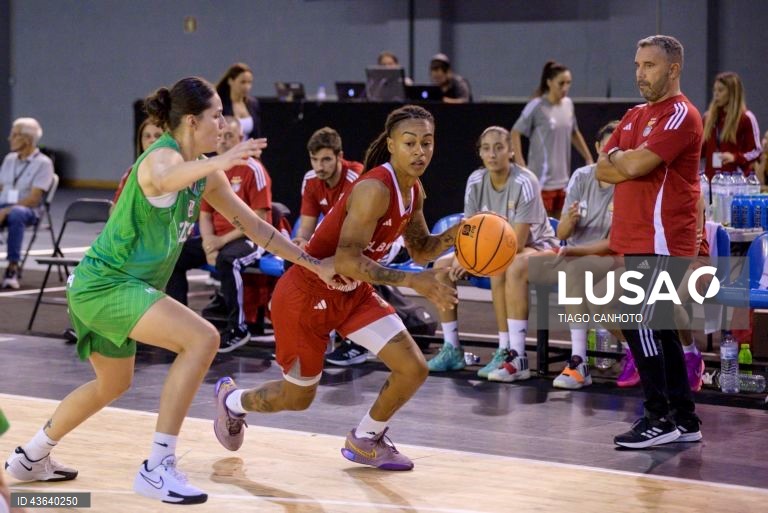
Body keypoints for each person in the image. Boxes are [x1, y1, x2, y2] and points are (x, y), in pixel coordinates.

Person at [3, 77, 336, 505]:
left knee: (112, 385)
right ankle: (157, 467)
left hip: (110, 287)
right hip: (106, 284)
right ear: (192, 122)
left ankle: (30, 457)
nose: (224, 124)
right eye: (217, 115)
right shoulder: (160, 158)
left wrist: (311, 263)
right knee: (203, 338)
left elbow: (254, 226)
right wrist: (225, 159)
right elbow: (164, 180)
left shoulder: (206, 174)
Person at [213, 105, 459, 471]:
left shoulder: (413, 190)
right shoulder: (375, 188)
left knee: (413, 368)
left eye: (427, 142)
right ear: (392, 144)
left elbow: (421, 249)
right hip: (306, 295)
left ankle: (366, 439)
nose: (420, 151)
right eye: (410, 143)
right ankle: (233, 402)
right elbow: (345, 261)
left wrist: (463, 233)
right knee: (297, 398)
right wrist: (412, 280)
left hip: (352, 294)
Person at [595, 35, 703, 449]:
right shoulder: (634, 114)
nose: (640, 74)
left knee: (635, 318)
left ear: (673, 69)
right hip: (637, 236)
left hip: (663, 237)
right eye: (638, 65)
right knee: (658, 327)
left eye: (650, 66)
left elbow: (636, 163)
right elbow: (602, 169)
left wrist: (627, 160)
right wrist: (624, 161)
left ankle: (659, 417)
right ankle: (684, 419)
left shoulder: (681, 115)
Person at [425, 126, 558, 382]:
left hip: (535, 246)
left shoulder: (525, 181)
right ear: (480, 153)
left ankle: (506, 349)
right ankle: (452, 349)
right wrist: (463, 256)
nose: (492, 154)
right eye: (486, 148)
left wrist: (476, 260)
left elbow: (517, 242)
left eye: (499, 147)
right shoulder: (476, 180)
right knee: (442, 267)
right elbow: (468, 228)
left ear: (511, 151)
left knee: (501, 266)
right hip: (493, 249)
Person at [166, 116, 274, 353]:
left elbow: (259, 220)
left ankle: (239, 328)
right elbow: (204, 215)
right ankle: (178, 326)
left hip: (248, 237)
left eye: (230, 136)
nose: (224, 141)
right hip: (215, 238)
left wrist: (219, 242)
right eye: (221, 136)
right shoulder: (211, 169)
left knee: (228, 260)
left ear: (241, 139)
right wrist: (207, 242)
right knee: (175, 255)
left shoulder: (253, 169)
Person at [291, 127, 370, 366]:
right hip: (342, 240)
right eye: (314, 159)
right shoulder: (311, 179)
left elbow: (362, 229)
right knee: (297, 260)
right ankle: (313, 335)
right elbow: (306, 228)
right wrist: (301, 244)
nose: (319, 166)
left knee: (346, 267)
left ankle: (358, 343)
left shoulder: (357, 178)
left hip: (376, 239)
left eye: (326, 159)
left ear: (339, 156)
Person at [549, 121, 619, 389]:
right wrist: (570, 220)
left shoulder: (627, 183)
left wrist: (572, 250)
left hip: (608, 257)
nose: (611, 153)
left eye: (619, 149)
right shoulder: (581, 176)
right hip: (574, 252)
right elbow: (562, 232)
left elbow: (613, 244)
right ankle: (513, 352)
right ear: (597, 147)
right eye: (607, 147)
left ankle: (579, 361)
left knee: (576, 272)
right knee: (516, 268)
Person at [510, 61, 594, 218]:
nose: (565, 88)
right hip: (541, 183)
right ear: (549, 82)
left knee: (560, 228)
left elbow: (574, 132)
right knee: (543, 227)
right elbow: (515, 132)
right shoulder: (536, 105)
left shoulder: (568, 104)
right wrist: (520, 164)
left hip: (564, 182)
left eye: (568, 83)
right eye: (561, 83)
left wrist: (588, 157)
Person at [0, 118, 55, 289]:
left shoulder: (43, 163)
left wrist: (7, 211)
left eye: (14, 135)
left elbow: (33, 199)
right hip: (3, 206)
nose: (10, 138)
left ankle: (12, 267)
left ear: (27, 139)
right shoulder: (9, 159)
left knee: (16, 214)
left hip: (28, 210)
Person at [701, 72, 761, 181]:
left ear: (732, 93)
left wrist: (735, 157)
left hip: (736, 182)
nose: (716, 94)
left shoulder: (746, 118)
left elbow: (756, 151)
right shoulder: (708, 118)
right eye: (714, 90)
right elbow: (700, 149)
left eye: (720, 90)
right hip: (711, 180)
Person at [112, 118, 164, 209]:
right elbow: (115, 209)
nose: (152, 140)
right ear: (141, 142)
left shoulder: (179, 170)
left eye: (158, 136)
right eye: (147, 136)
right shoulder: (132, 172)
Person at [216, 62, 262, 140]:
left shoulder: (253, 104)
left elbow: (256, 134)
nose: (247, 87)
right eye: (243, 82)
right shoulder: (220, 104)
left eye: (249, 82)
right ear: (230, 81)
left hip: (248, 147)